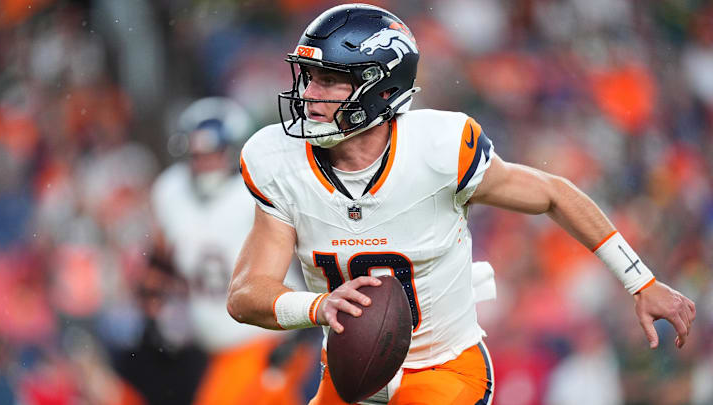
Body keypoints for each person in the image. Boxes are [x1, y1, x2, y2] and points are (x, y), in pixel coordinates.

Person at [226, 4, 696, 404]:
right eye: (308, 79)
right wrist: (317, 305)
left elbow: (554, 193)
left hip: (444, 370)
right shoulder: (279, 162)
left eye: (329, 81)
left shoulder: (440, 148)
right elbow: (245, 296)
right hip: (350, 377)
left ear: (381, 89)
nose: (308, 95)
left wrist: (641, 281)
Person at [149, 97, 319, 405]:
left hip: (269, 340)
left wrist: (304, 332)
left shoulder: (254, 193)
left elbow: (309, 257)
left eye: (213, 153)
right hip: (217, 350)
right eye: (197, 155)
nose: (204, 164)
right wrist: (161, 305)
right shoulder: (171, 192)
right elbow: (161, 262)